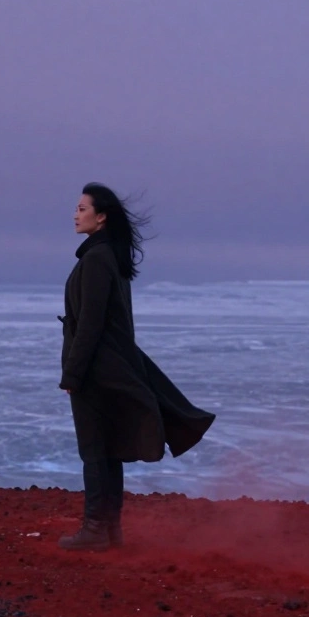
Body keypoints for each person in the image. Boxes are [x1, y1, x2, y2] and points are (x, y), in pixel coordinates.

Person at [57, 182, 216, 551]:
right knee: (108, 449)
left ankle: (96, 530)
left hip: (97, 368)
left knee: (94, 449)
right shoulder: (108, 256)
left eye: (82, 208)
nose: (75, 214)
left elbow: (91, 324)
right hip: (111, 364)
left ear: (101, 217)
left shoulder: (97, 260)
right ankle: (109, 530)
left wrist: (73, 374)